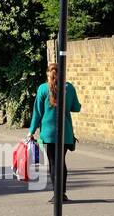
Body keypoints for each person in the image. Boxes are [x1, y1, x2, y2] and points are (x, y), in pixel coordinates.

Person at [28, 61, 81, 202]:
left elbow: (37, 113)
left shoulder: (42, 89)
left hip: (48, 133)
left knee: (53, 163)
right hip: (66, 132)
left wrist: (31, 131)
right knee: (61, 162)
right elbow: (76, 108)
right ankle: (62, 193)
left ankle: (56, 194)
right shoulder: (69, 88)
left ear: (48, 74)